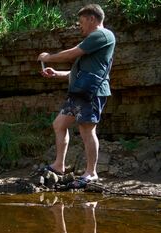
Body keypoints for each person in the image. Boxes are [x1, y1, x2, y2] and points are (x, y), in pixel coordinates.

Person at [37, 4, 115, 188]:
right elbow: (80, 72)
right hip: (80, 91)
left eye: (81, 22)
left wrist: (48, 57)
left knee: (87, 129)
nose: (79, 26)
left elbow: (72, 54)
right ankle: (59, 165)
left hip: (92, 92)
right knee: (59, 124)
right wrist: (57, 73)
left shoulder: (101, 35)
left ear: (92, 19)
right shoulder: (94, 42)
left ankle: (91, 173)